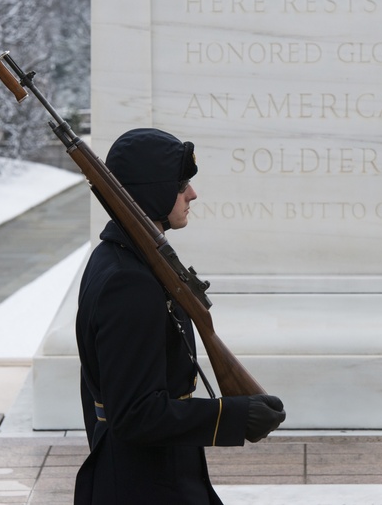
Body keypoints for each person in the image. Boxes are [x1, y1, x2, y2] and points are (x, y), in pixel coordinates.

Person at [74, 128, 286, 504]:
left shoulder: (117, 260)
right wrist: (233, 415)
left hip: (153, 473)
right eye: (181, 184)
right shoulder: (128, 281)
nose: (192, 194)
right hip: (145, 486)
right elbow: (134, 414)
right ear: (153, 191)